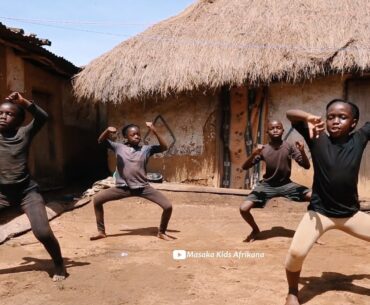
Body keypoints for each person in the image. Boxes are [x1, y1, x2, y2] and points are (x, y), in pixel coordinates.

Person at [284, 99, 370, 305]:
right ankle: (293, 292)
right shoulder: (316, 137)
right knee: (296, 253)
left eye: (342, 117)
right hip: (319, 214)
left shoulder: (359, 139)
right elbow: (290, 113)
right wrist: (307, 117)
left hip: (350, 215)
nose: (335, 121)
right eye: (331, 116)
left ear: (354, 122)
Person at [0, 92, 66, 281]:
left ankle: (59, 263)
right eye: (0, 113)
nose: (3, 116)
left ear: (20, 120)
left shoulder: (24, 133)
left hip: (27, 192)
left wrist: (24, 102)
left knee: (42, 232)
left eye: (9, 114)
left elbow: (43, 117)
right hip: (2, 194)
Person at [90, 122, 173, 241]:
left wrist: (154, 131)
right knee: (97, 200)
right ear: (126, 137)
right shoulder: (119, 147)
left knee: (168, 206)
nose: (136, 136)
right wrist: (107, 131)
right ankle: (101, 231)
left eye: (138, 134)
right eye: (133, 134)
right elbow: (100, 141)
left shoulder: (146, 149)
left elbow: (164, 147)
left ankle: (161, 232)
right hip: (122, 188)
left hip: (143, 188)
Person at [240, 120, 311, 242]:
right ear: (267, 132)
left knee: (315, 198)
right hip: (267, 185)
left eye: (278, 127)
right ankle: (255, 230)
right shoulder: (263, 149)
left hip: (286, 184)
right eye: (272, 128)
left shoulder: (289, 146)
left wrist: (303, 151)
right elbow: (244, 167)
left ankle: (309, 231)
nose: (275, 130)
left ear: (283, 131)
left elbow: (306, 166)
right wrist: (253, 154)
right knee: (244, 208)